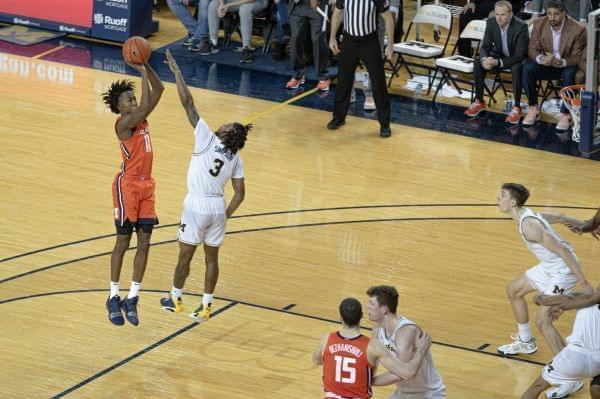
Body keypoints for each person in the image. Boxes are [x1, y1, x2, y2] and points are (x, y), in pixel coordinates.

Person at [160, 50, 249, 321]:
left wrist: (177, 73)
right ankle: (207, 305)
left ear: (225, 133)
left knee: (185, 255)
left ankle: (175, 299)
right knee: (212, 259)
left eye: (226, 124)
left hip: (197, 203)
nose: (222, 123)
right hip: (218, 206)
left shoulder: (207, 139)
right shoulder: (236, 157)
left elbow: (189, 104)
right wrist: (225, 214)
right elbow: (240, 194)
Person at [495, 183, 593, 360]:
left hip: (563, 269)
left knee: (543, 321)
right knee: (514, 290)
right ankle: (526, 341)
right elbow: (561, 217)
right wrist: (586, 225)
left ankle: (568, 372)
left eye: (502, 195)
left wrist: (584, 283)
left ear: (512, 202)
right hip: (550, 266)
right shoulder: (524, 214)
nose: (498, 198)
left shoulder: (529, 225)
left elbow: (563, 251)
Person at [101, 61, 165, 326]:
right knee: (123, 243)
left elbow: (159, 89)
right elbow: (148, 104)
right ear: (119, 107)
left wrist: (147, 67)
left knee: (145, 243)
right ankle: (113, 296)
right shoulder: (124, 123)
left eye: (134, 96)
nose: (134, 100)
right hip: (127, 186)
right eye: (129, 99)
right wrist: (140, 74)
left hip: (147, 185)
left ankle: (132, 297)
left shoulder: (141, 116)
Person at [313, 297, 432, 399]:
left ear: (340, 317)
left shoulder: (326, 339)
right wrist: (421, 350)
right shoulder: (373, 347)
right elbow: (408, 373)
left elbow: (317, 360)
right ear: (361, 317)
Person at [327, 0, 395, 137]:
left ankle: (385, 124)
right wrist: (332, 37)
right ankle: (338, 118)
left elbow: (388, 18)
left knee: (378, 82)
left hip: (369, 42)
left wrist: (390, 45)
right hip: (348, 40)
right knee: (343, 81)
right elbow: (338, 12)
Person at [366, 285, 446, 398]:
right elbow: (372, 361)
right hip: (403, 393)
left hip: (427, 393)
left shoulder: (406, 332)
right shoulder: (377, 329)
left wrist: (366, 381)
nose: (367, 306)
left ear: (384, 309)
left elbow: (401, 374)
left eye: (371, 304)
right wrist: (365, 380)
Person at [520, 286, 600, 399]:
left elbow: (544, 300)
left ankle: (570, 384)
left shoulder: (584, 297)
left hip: (575, 357)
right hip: (598, 361)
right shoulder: (586, 298)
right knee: (596, 388)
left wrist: (538, 297)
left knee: (536, 387)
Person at [521, 0, 587, 129]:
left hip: (565, 66)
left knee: (570, 72)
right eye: (549, 14)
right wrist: (541, 58)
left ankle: (565, 113)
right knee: (527, 67)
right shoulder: (539, 24)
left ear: (564, 14)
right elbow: (532, 50)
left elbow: (577, 58)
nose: (552, 17)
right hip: (547, 65)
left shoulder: (577, 30)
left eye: (556, 14)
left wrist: (557, 61)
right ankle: (533, 108)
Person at [464, 1, 529, 124]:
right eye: (497, 14)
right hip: (500, 54)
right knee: (478, 61)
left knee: (516, 68)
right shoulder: (491, 22)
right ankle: (479, 101)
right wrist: (485, 59)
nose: (499, 18)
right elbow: (485, 47)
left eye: (503, 14)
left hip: (518, 58)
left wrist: (497, 62)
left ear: (510, 14)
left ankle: (516, 108)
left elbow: (519, 56)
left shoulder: (521, 27)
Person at [285, 0, 331, 91]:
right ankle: (298, 75)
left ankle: (323, 76)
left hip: (318, 3)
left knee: (318, 39)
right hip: (297, 4)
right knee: (295, 39)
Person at [457, 0, 523, 57]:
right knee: (465, 14)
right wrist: (472, 2)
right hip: (486, 4)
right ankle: (464, 53)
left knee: (497, 19)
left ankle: (490, 55)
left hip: (507, 6)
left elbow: (518, 3)